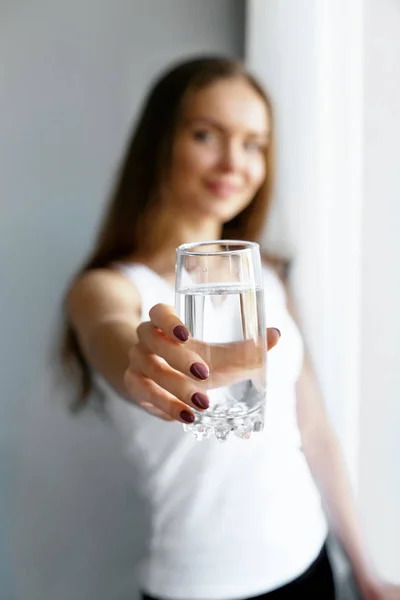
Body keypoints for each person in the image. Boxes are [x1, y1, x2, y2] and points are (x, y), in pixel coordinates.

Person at [60, 56, 400, 600]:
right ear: (159, 142)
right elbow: (111, 330)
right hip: (198, 586)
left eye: (253, 144)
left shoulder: (268, 275)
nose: (233, 163)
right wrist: (142, 360)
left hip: (310, 566)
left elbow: (311, 431)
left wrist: (364, 570)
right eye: (205, 135)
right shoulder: (108, 287)